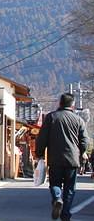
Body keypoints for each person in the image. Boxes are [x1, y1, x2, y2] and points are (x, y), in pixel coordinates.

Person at [35, 93, 88, 221]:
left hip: (55, 159)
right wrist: (83, 151)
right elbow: (84, 140)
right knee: (70, 189)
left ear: (60, 103)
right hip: (72, 160)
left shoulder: (51, 117)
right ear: (73, 105)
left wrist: (39, 154)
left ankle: (57, 198)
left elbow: (42, 138)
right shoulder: (78, 120)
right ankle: (65, 214)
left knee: (55, 183)